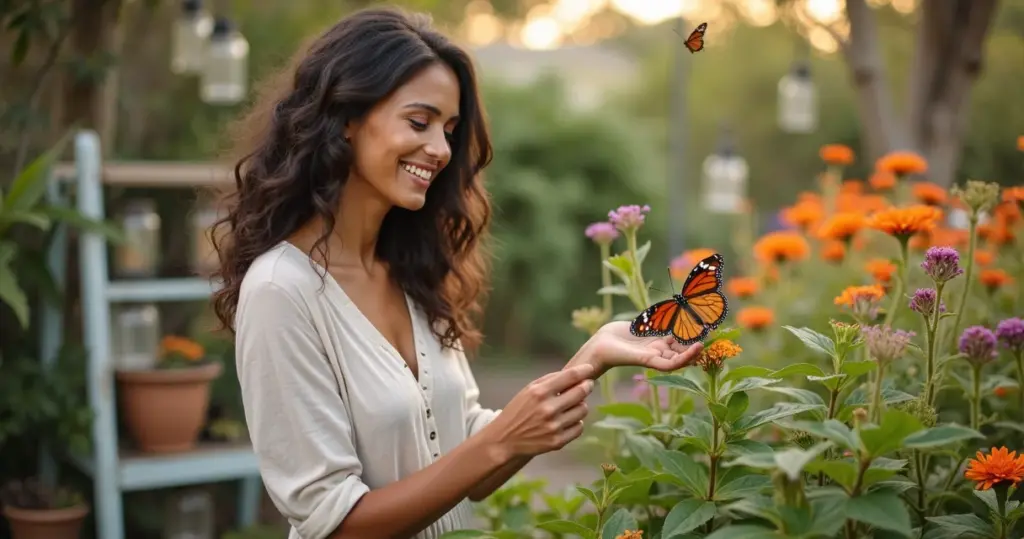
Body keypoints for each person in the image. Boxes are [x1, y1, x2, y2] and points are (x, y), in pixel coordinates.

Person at [210, 7, 702, 539]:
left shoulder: (411, 271)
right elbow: (335, 523)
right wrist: (500, 440)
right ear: (347, 118)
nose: (441, 150)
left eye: (448, 129)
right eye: (418, 122)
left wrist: (590, 358)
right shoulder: (281, 290)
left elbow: (468, 450)